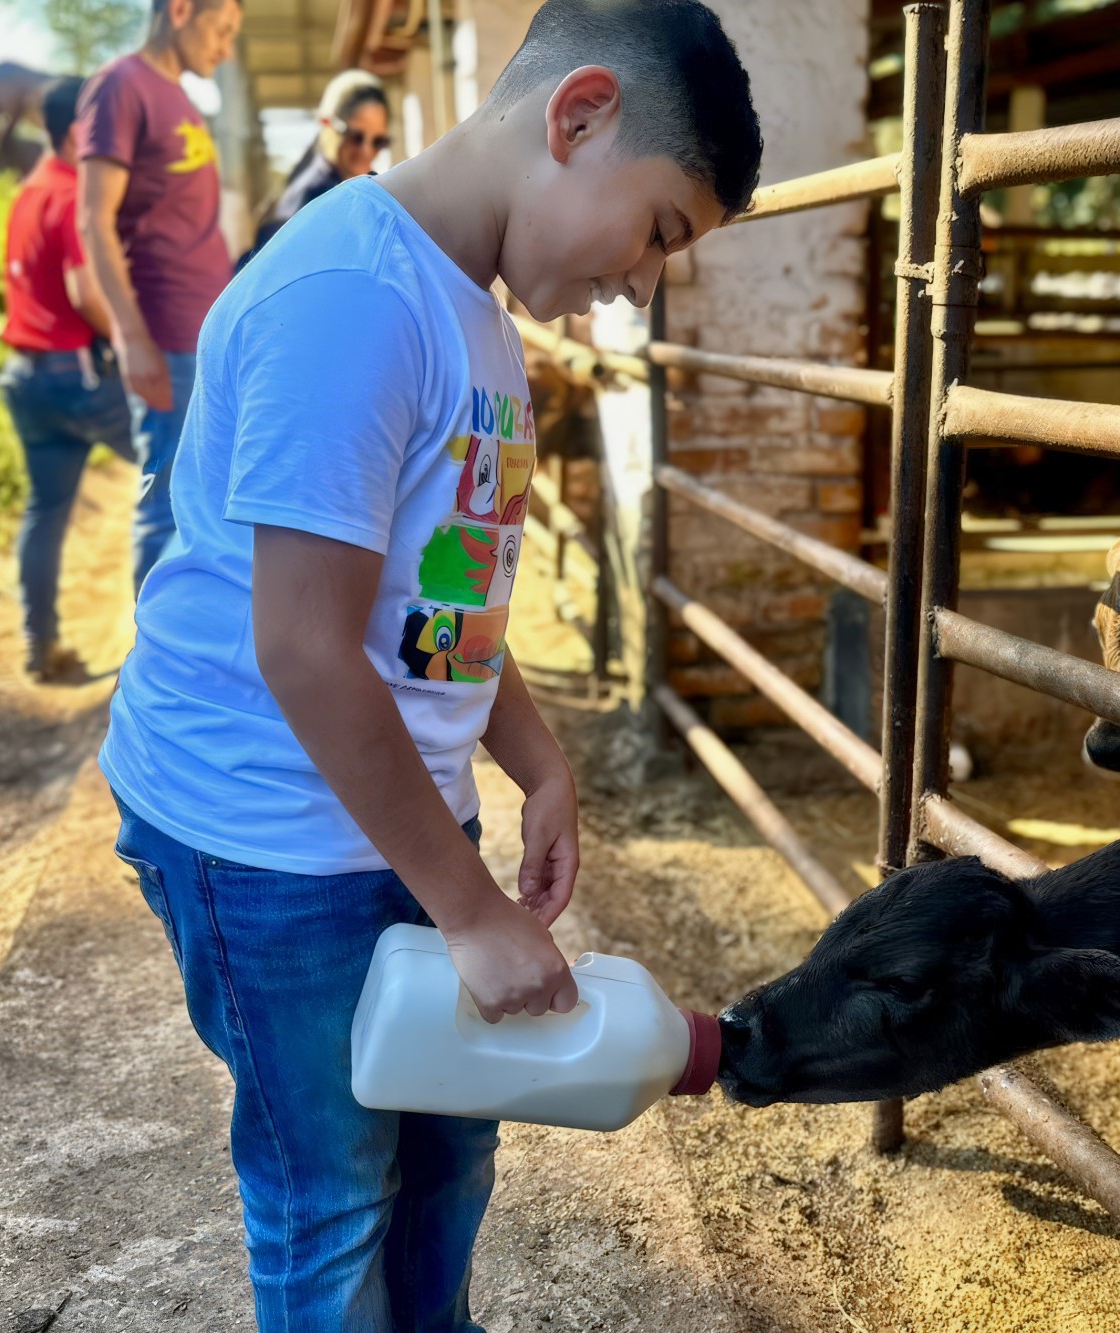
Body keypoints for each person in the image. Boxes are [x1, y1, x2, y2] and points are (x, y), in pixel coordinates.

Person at [97, 1, 761, 1327]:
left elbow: (437, 601)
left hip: (388, 814)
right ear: (579, 118)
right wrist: (467, 906)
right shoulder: (355, 298)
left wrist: (534, 758)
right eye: (658, 232)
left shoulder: (481, 318)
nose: (639, 282)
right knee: (332, 1194)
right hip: (266, 835)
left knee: (450, 1150)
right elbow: (300, 643)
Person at [75, 0, 240, 593]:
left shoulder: (183, 99)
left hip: (202, 333)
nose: (224, 48)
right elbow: (93, 219)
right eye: (220, 30)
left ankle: (189, 639)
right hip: (164, 335)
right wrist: (131, 336)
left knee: (202, 502)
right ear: (180, 10)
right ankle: (154, 657)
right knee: (163, 499)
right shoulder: (121, 85)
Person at [0, 76, 137, 684]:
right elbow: (86, 293)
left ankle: (39, 645)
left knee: (45, 513)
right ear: (80, 131)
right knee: (188, 474)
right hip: (78, 376)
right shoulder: (77, 195)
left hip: (25, 377)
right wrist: (137, 344)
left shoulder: (28, 190)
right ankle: (185, 652)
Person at [239, 68, 391, 266]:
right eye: (356, 137)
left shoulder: (358, 189)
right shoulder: (314, 198)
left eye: (379, 141)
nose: (366, 151)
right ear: (327, 123)